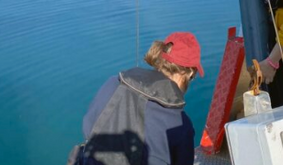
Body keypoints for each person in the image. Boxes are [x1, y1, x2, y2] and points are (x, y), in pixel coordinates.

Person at [68, 32, 203, 165]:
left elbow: (88, 128)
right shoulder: (180, 124)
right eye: (192, 77)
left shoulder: (112, 83)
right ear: (190, 71)